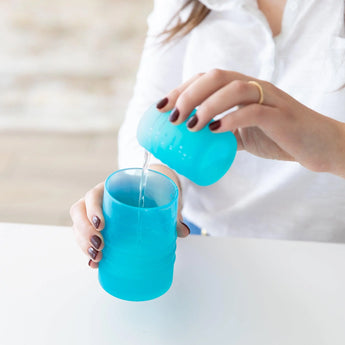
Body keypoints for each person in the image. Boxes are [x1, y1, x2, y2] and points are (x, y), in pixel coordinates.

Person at [70, 0, 345, 268]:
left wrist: (335, 145)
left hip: (328, 258)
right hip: (204, 248)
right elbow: (152, 106)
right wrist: (159, 181)